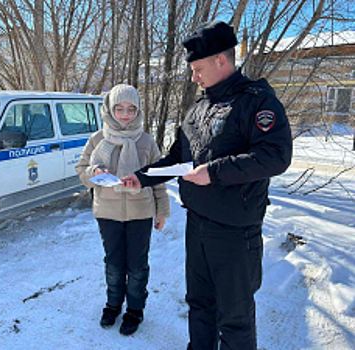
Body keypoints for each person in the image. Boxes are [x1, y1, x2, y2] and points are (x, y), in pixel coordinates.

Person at [121, 21, 292, 349]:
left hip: (235, 231)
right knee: (199, 304)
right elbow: (176, 158)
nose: (194, 77)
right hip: (197, 224)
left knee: (235, 316)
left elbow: (275, 156)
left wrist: (214, 172)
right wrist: (140, 178)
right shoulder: (197, 109)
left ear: (221, 60)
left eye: (198, 69)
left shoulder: (256, 101)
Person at [75, 84, 170, 336]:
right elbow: (82, 169)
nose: (125, 114)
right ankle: (113, 305)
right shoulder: (98, 139)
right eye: (119, 108)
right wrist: (94, 172)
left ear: (138, 110)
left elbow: (157, 178)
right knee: (114, 264)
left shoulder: (146, 141)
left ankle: (135, 310)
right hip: (108, 213)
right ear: (109, 109)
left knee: (137, 266)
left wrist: (161, 211)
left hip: (141, 213)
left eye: (131, 109)